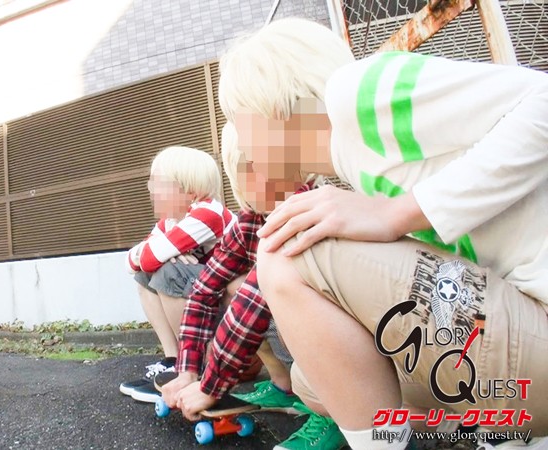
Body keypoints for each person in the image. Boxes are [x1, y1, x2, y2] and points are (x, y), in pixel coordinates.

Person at [219, 17, 548, 450]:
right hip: (520, 354)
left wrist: (397, 213)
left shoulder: (355, 92)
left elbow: (543, 101)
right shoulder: (355, 166)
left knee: (284, 254)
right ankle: (499, 434)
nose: (241, 141)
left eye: (238, 120)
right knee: (315, 380)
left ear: (270, 107)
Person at [162, 122, 348, 450]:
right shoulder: (252, 220)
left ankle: (337, 414)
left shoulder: (306, 209)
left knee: (267, 293)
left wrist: (210, 386)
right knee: (232, 287)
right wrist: (188, 369)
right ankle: (284, 385)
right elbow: (204, 290)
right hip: (313, 326)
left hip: (357, 336)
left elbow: (254, 303)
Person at [119, 146, 236, 403]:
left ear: (190, 192)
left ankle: (192, 368)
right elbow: (131, 262)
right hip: (207, 295)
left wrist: (158, 255)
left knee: (168, 271)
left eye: (158, 183)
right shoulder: (170, 221)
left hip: (234, 304)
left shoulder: (208, 213)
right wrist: (158, 253)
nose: (150, 190)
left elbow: (148, 257)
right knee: (145, 276)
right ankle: (173, 361)